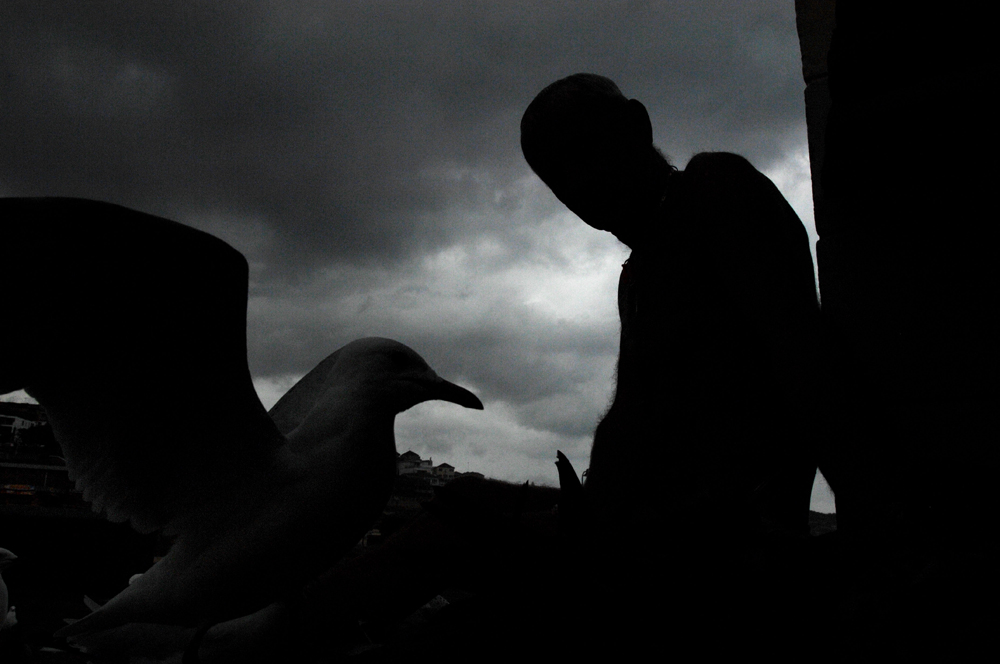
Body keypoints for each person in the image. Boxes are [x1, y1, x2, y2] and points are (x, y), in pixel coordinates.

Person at [521, 73, 831, 541]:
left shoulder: (714, 190)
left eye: (585, 150)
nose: (577, 182)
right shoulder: (638, 274)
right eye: (556, 175)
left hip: (720, 539)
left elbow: (805, 361)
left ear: (637, 126)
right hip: (653, 534)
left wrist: (881, 519)